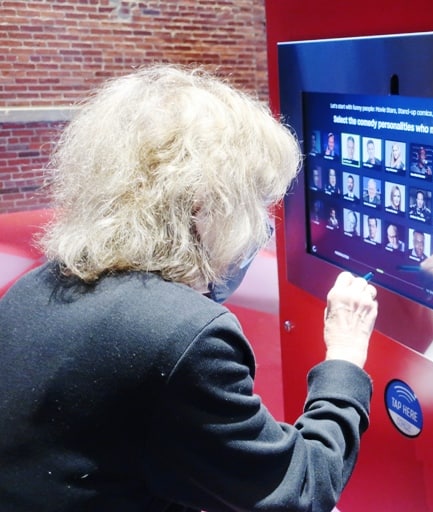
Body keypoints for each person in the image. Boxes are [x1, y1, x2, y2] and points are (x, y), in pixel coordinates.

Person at [0, 65, 378, 512]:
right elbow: (303, 489)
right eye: (255, 201)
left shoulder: (36, 286)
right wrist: (345, 357)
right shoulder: (183, 333)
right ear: (206, 207)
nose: (261, 224)